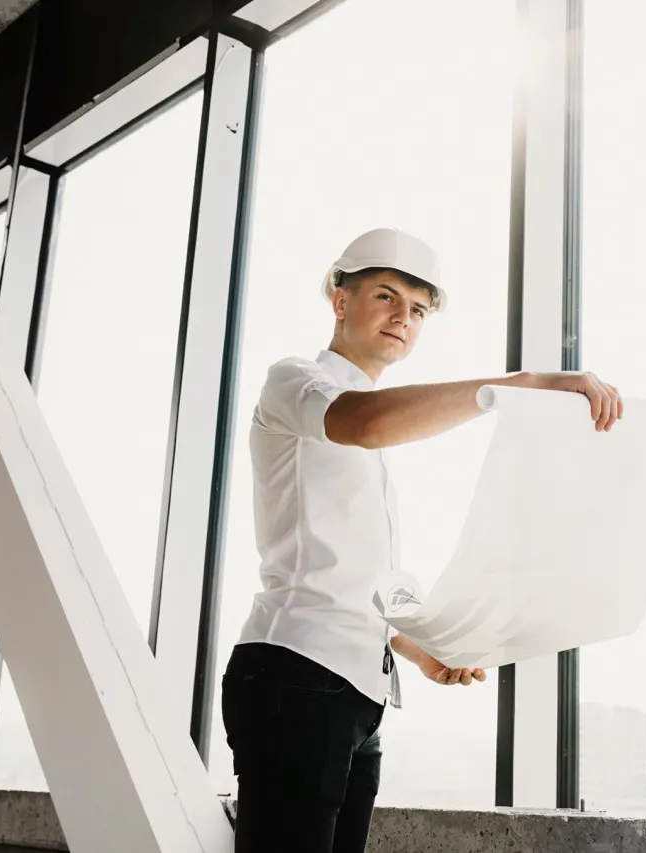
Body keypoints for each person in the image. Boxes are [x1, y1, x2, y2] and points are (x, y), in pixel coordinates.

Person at [220, 227, 622, 853]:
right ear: (340, 299)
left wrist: (420, 647)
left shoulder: (370, 432)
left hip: (356, 693)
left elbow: (350, 577)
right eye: (385, 296)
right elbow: (368, 423)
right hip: (294, 677)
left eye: (418, 310)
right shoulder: (296, 384)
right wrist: (524, 384)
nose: (403, 317)